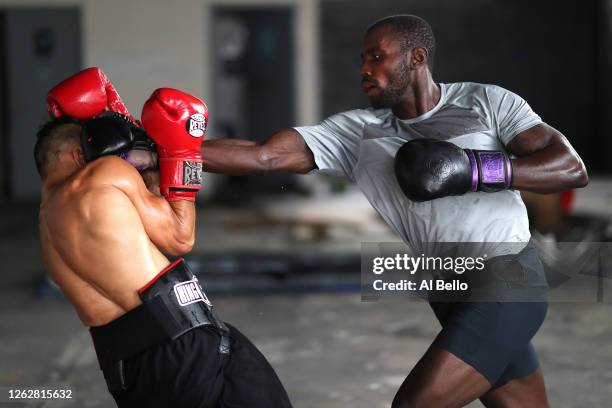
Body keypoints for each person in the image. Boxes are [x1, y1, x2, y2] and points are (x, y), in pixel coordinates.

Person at [201, 14, 588, 407]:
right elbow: (263, 156)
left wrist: (473, 170)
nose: (364, 69)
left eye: (376, 57)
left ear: (416, 58)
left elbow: (570, 168)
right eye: (362, 59)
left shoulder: (485, 102)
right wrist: (159, 152)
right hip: (446, 288)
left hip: (507, 276)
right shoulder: (357, 133)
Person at [35, 68, 292, 408]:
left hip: (126, 368)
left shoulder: (47, 221)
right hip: (182, 345)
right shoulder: (103, 173)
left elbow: (139, 229)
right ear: (77, 155)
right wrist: (181, 155)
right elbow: (179, 236)